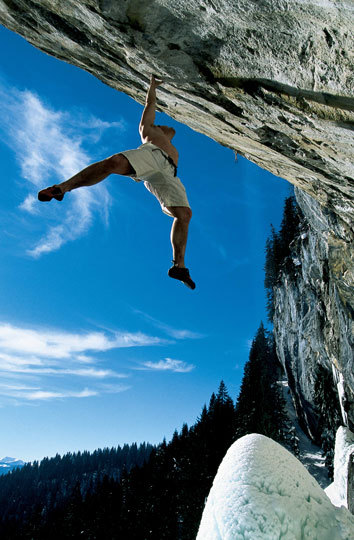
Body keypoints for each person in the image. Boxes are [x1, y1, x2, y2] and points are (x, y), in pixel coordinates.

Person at [38, 75, 195, 289]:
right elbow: (150, 104)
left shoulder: (171, 144)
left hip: (169, 172)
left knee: (184, 214)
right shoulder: (147, 131)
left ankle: (179, 266)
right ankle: (62, 187)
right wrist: (152, 86)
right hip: (150, 157)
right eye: (164, 125)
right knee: (114, 162)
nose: (170, 128)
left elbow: (173, 131)